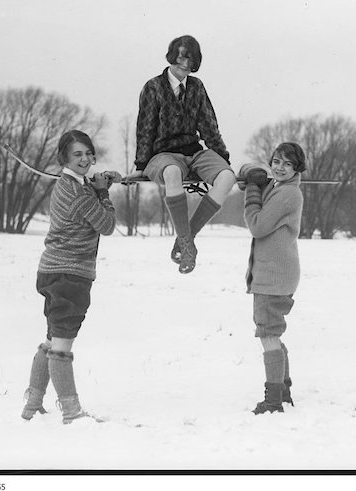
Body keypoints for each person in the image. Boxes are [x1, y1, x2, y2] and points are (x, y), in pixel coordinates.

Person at [21, 129, 121, 424]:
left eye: (88, 153)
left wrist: (99, 182)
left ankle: (32, 405)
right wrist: (103, 192)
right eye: (77, 154)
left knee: (53, 340)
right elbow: (107, 224)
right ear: (64, 158)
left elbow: (90, 187)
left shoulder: (71, 184)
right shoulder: (77, 192)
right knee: (62, 345)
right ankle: (72, 412)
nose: (85, 159)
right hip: (69, 275)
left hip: (52, 271)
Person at [126, 34, 237, 274]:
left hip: (194, 151)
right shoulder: (153, 87)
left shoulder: (196, 87)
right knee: (173, 172)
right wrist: (141, 164)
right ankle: (187, 245)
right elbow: (145, 128)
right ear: (171, 56)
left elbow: (209, 125)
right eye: (181, 57)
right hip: (163, 154)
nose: (185, 64)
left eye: (190, 59)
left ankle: (186, 237)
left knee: (228, 177)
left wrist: (222, 158)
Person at [240, 142, 306, 414]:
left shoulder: (288, 194)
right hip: (276, 272)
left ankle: (273, 400)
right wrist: (253, 178)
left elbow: (257, 225)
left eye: (287, 164)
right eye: (276, 161)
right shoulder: (280, 188)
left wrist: (253, 191)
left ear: (297, 168)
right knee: (274, 334)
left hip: (274, 275)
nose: (279, 167)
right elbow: (246, 174)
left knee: (268, 334)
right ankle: (284, 389)